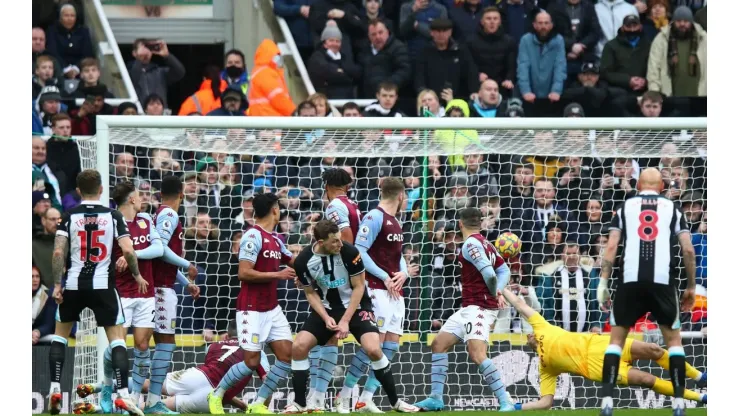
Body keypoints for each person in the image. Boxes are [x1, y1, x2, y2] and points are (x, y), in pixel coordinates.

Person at [286, 220, 419, 413]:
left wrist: (346, 321)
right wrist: (325, 317)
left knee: (373, 349)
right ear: (321, 242)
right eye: (334, 242)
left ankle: (396, 402)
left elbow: (358, 287)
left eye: (340, 240)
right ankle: (299, 403)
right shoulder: (303, 261)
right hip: (327, 308)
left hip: (357, 307)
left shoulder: (350, 252)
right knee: (298, 346)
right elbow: (310, 293)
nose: (340, 245)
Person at [498, 287, 707, 411]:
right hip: (597, 367)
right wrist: (517, 407)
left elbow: (519, 304)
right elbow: (545, 403)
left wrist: (502, 287)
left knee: (654, 350)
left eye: (530, 335)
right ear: (529, 344)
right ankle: (701, 398)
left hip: (600, 344)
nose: (529, 337)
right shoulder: (545, 367)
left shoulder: (542, 325)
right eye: (527, 339)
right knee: (647, 380)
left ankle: (699, 377)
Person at [596, 168, 698, 416]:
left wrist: (603, 282)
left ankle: (607, 402)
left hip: (629, 281)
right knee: (673, 342)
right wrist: (691, 286)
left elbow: (611, 246)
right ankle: (678, 403)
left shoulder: (624, 208)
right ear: (662, 186)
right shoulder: (673, 210)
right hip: (663, 282)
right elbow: (688, 251)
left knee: (616, 341)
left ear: (639, 185)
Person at [46, 169, 144, 416]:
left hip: (74, 286)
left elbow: (58, 253)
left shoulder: (67, 217)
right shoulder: (113, 216)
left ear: (79, 191)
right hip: (104, 286)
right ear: (101, 189)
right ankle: (122, 395)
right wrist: (136, 274)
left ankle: (55, 389)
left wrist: (58, 285)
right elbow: (128, 251)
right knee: (118, 340)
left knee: (60, 336)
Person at [414, 207, 515, 412]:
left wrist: (496, 291)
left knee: (477, 354)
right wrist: (500, 292)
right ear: (479, 223)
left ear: (460, 224)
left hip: (480, 308)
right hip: (469, 307)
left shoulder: (470, 244)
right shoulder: (486, 243)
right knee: (439, 344)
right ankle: (435, 398)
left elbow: (490, 274)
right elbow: (504, 269)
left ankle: (506, 401)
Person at [76, 181, 164, 410]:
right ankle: (106, 388)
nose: (142, 198)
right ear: (132, 199)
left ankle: (133, 398)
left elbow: (159, 249)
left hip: (146, 291)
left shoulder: (145, 220)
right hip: (121, 292)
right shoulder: (113, 222)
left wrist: (133, 253)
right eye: (139, 194)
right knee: (118, 345)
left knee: (143, 345)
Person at [207, 193, 297, 414]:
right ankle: (217, 394)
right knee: (251, 361)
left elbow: (294, 261)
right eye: (279, 206)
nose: (280, 210)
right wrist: (278, 275)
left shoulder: (276, 239)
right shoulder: (252, 236)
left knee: (287, 356)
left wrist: (319, 257)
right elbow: (244, 273)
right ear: (274, 209)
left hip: (272, 308)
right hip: (251, 309)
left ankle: (257, 403)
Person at [336, 177, 409, 413]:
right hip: (377, 289)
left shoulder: (396, 221)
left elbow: (398, 256)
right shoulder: (374, 217)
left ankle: (366, 398)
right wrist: (385, 277)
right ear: (400, 196)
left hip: (396, 292)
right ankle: (344, 394)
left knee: (391, 345)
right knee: (372, 345)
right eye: (405, 197)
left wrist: (404, 273)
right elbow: (360, 251)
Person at [147, 175, 201, 414]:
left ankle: (151, 398)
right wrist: (187, 263)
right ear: (181, 193)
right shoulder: (169, 214)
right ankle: (152, 401)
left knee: (162, 341)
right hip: (159, 289)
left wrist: (185, 281)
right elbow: (161, 250)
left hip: (164, 284)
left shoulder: (160, 213)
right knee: (165, 341)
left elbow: (164, 257)